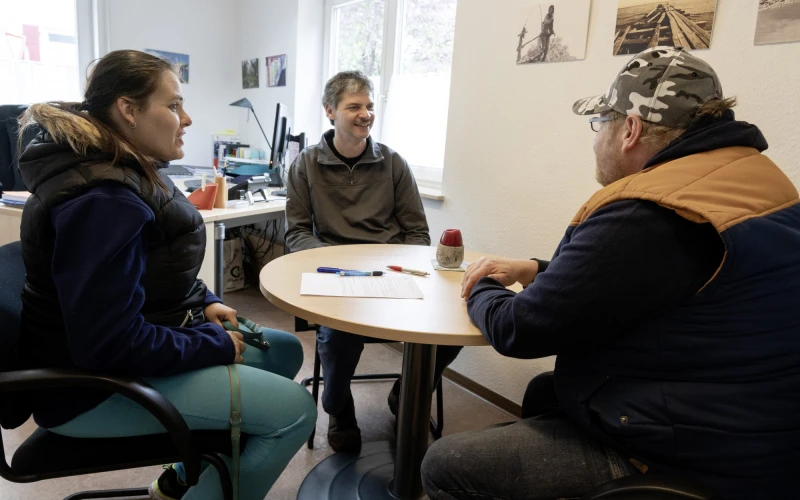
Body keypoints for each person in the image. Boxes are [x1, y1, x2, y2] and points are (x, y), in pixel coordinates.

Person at [421, 46, 800, 500]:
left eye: (600, 123)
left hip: (689, 456)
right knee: (546, 392)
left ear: (631, 130)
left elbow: (519, 329)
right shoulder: (750, 181)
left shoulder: (650, 214)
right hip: (761, 433)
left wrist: (479, 284)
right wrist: (539, 270)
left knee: (447, 464)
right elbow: (647, 283)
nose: (596, 137)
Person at [16, 50, 316, 500]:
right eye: (174, 105)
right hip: (89, 391)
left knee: (284, 350)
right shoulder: (104, 200)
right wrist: (209, 342)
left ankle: (179, 482)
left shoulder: (122, 167)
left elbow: (154, 266)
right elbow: (107, 344)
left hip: (118, 356)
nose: (187, 118)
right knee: (295, 410)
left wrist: (203, 299)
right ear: (129, 110)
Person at [285, 70, 462, 453]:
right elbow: (296, 233)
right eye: (354, 107)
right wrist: (336, 266)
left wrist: (395, 268)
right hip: (336, 276)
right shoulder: (305, 165)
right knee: (337, 336)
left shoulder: (394, 163)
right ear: (330, 111)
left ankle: (406, 395)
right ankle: (339, 409)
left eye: (369, 106)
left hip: (389, 273)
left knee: (454, 326)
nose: (365, 114)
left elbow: (417, 233)